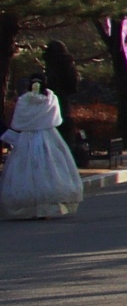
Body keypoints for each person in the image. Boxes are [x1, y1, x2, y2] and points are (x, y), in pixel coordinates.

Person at [2, 75, 88, 220]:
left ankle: (39, 206)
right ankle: (37, 206)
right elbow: (56, 119)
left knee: (32, 168)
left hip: (32, 137)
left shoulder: (28, 100)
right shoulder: (47, 99)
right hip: (45, 136)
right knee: (47, 167)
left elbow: (19, 121)